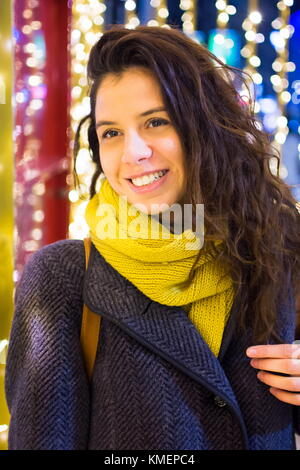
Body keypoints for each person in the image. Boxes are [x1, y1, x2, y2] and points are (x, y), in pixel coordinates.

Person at [5, 25, 300, 451]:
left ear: (207, 126)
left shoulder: (279, 252)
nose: (133, 153)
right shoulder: (63, 277)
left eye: (156, 121)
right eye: (111, 132)